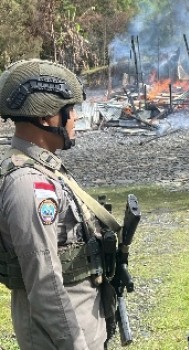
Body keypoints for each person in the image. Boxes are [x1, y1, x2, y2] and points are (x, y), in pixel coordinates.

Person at [0, 59, 121, 350]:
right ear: (46, 118)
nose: (76, 117)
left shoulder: (46, 171)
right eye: (70, 110)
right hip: (62, 339)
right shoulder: (29, 185)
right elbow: (45, 286)